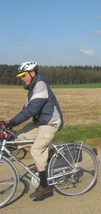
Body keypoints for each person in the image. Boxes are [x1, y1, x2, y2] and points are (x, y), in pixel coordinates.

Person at [4, 61, 64, 199]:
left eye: (24, 75)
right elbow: (25, 110)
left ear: (32, 73)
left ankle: (44, 185)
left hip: (50, 123)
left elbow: (32, 109)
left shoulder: (40, 85)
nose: (22, 78)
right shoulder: (32, 89)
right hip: (39, 123)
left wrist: (13, 122)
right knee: (17, 138)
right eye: (20, 76)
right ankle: (45, 161)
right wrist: (10, 123)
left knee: (36, 150)